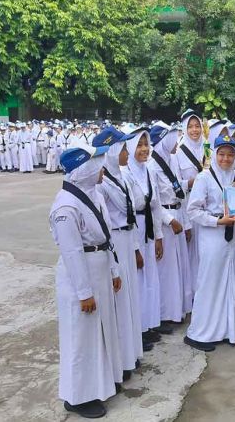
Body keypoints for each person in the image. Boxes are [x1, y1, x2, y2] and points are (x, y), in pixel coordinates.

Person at [49, 144, 123, 419]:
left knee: (99, 333)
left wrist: (114, 270)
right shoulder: (65, 207)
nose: (102, 169)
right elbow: (71, 252)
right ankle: (77, 397)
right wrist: (83, 293)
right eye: (97, 165)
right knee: (80, 338)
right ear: (84, 170)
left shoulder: (91, 194)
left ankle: (98, 385)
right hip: (81, 277)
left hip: (99, 268)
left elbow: (107, 236)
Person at [94, 126, 149, 381]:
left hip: (128, 238)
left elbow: (134, 210)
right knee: (117, 302)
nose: (127, 153)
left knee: (129, 298)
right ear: (114, 151)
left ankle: (130, 355)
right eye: (124, 149)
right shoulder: (102, 183)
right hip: (115, 240)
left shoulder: (124, 176)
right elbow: (105, 221)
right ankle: (120, 361)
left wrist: (137, 247)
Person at [184, 134, 235, 352]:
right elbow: (192, 210)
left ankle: (228, 330)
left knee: (232, 278)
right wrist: (217, 221)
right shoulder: (204, 178)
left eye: (230, 155)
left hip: (234, 233)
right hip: (213, 234)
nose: (226, 159)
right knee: (209, 281)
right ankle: (200, 333)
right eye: (222, 154)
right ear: (214, 154)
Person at [121, 128, 166, 347]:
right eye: (139, 145)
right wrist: (135, 248)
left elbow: (155, 205)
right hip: (135, 230)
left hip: (148, 227)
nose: (144, 149)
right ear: (129, 147)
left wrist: (158, 236)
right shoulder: (125, 173)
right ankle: (136, 329)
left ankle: (148, 325)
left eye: (146, 144)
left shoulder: (148, 170)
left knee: (150, 278)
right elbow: (127, 215)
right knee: (137, 280)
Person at [148, 121, 189, 329]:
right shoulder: (152, 165)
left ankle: (177, 310)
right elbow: (154, 201)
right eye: (174, 138)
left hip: (178, 212)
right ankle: (164, 315)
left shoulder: (172, 159)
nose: (177, 142)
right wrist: (169, 220)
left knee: (178, 268)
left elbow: (176, 187)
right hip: (165, 220)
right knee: (165, 270)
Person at [174, 109, 205, 305]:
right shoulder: (178, 152)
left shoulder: (208, 148)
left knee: (205, 250)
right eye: (190, 126)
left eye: (197, 126)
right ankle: (192, 293)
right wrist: (190, 183)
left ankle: (204, 290)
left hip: (208, 206)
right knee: (191, 251)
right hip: (188, 205)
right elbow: (176, 184)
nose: (195, 130)